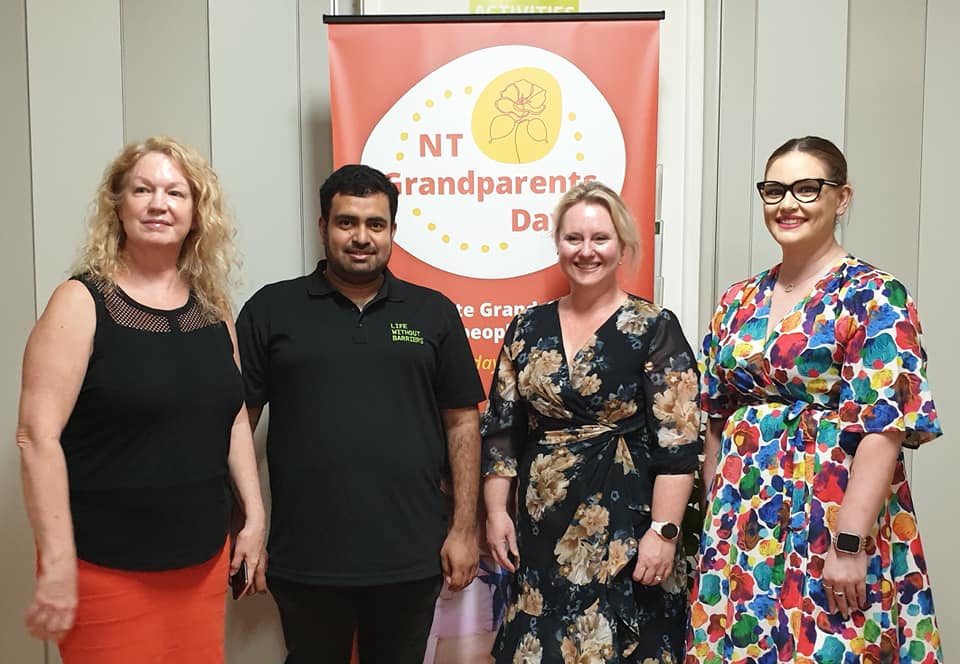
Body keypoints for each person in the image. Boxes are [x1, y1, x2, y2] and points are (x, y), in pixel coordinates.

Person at [688, 136, 943, 662]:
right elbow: (715, 416)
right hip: (743, 521)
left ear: (841, 198)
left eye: (807, 189)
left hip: (829, 515)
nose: (788, 203)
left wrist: (849, 544)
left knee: (830, 646)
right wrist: (718, 517)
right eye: (775, 189)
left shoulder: (875, 294)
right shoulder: (738, 299)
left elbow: (884, 427)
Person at [17, 137, 266, 663]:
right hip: (104, 567)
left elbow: (233, 417)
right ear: (118, 205)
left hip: (200, 562)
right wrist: (57, 560)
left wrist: (255, 516)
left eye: (176, 192)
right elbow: (36, 437)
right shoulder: (81, 303)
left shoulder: (214, 312)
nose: (159, 204)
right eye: (143, 189)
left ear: (196, 214)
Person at [235, 164, 485, 664]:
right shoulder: (271, 309)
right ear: (323, 226)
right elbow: (238, 424)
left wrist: (463, 529)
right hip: (305, 555)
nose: (361, 237)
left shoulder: (432, 312)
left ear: (393, 230)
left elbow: (462, 423)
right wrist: (246, 526)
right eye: (347, 222)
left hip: (410, 555)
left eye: (376, 224)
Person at [482, 181, 701, 663]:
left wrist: (664, 531)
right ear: (557, 243)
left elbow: (679, 447)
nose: (586, 251)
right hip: (540, 529)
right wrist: (497, 512)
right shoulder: (527, 327)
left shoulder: (653, 327)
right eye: (573, 238)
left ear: (622, 246)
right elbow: (501, 430)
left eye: (600, 238)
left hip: (628, 527)